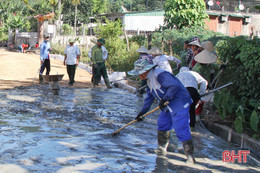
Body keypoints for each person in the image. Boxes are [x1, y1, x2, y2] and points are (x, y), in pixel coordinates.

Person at [128, 59, 195, 164]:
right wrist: (142, 112)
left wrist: (165, 99)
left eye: (139, 74)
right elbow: (149, 98)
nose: (139, 76)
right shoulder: (149, 81)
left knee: (180, 127)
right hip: (168, 104)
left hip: (179, 102)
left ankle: (190, 156)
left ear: (146, 71)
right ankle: (162, 148)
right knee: (162, 124)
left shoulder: (160, 75)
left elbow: (174, 86)